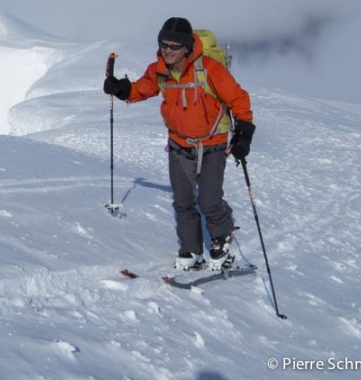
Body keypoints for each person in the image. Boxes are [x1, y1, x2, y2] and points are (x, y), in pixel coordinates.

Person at [103, 17, 255, 271]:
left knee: (208, 200)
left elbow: (239, 99)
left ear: (187, 46)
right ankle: (192, 249)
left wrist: (243, 136)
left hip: (212, 143)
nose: (168, 50)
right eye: (164, 45)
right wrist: (120, 88)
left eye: (174, 46)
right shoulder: (159, 69)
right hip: (178, 144)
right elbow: (141, 89)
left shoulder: (209, 69)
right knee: (183, 201)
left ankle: (222, 235)